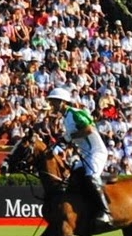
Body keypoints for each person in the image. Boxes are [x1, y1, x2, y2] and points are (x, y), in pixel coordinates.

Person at [47, 87, 113, 224]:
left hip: (97, 152)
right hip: (85, 155)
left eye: (53, 101)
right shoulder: (65, 118)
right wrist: (61, 143)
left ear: (62, 102)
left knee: (90, 177)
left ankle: (106, 212)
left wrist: (71, 137)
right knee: (72, 177)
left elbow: (89, 129)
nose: (51, 104)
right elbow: (70, 138)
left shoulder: (75, 113)